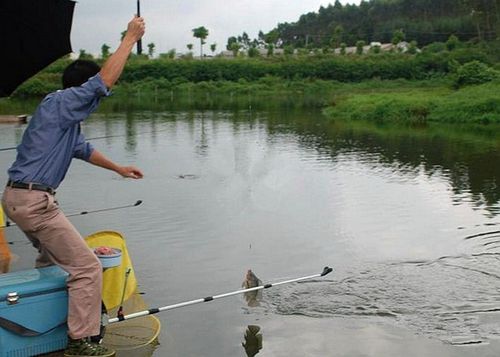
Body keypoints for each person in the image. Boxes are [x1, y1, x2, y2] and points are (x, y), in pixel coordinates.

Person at [1, 16, 145, 357]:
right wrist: (129, 38)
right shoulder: (63, 102)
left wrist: (119, 168)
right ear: (79, 91)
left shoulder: (61, 118)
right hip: (35, 201)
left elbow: (83, 150)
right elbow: (102, 83)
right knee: (87, 267)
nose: (97, 101)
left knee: (52, 260)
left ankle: (46, 320)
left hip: (19, 198)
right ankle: (81, 341)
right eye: (91, 95)